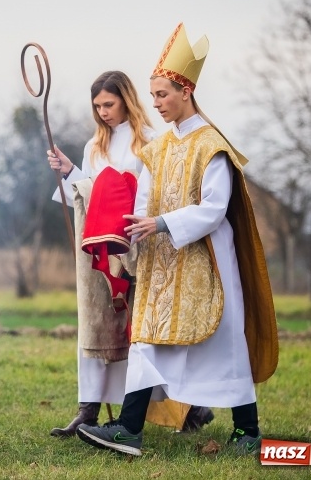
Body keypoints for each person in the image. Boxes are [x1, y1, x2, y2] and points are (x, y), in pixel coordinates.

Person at [76, 23, 278, 457]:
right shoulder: (160, 147)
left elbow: (214, 208)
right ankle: (129, 431)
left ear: (185, 91)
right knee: (146, 340)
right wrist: (130, 230)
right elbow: (145, 201)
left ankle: (248, 430)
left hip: (207, 263)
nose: (156, 104)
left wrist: (163, 224)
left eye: (163, 95)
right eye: (152, 96)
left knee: (224, 344)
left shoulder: (211, 145)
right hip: (162, 264)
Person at [46, 71, 213, 438]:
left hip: (140, 243)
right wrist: (70, 171)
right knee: (96, 323)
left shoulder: (153, 141)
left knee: (141, 332)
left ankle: (188, 406)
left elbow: (157, 194)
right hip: (101, 250)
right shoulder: (94, 146)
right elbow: (88, 194)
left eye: (109, 103)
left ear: (125, 99)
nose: (103, 112)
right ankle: (87, 408)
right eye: (97, 107)